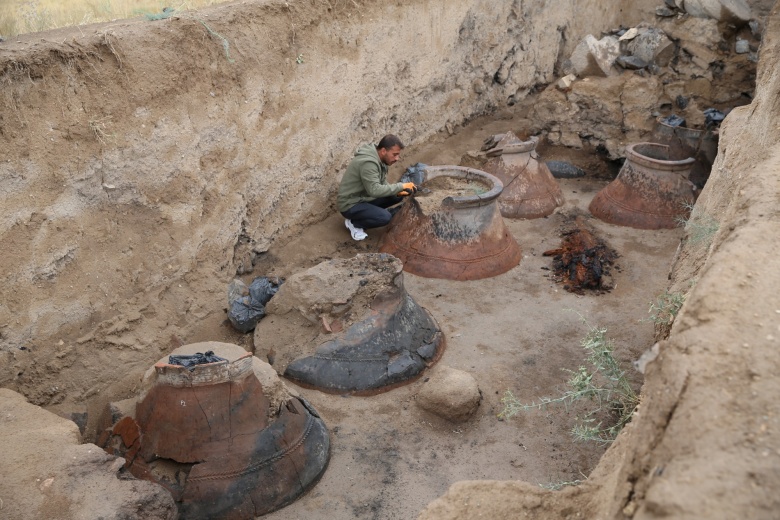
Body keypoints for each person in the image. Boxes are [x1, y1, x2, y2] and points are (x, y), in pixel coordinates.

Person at [337, 134, 417, 241]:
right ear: (383, 151)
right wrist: (400, 186)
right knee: (385, 217)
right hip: (350, 204)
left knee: (397, 196)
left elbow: (382, 184)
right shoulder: (368, 163)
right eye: (395, 154)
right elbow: (374, 190)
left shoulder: (380, 160)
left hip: (363, 197)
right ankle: (354, 223)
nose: (397, 158)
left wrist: (400, 190)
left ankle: (369, 213)